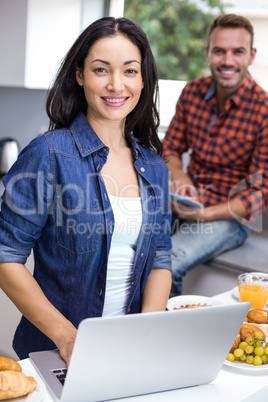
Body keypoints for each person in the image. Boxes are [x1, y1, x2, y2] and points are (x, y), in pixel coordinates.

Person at [0, 17, 172, 364]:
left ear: (142, 80)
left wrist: (148, 332)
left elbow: (160, 259)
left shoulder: (154, 166)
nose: (115, 84)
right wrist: (67, 338)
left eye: (129, 71)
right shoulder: (49, 154)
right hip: (55, 352)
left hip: (126, 353)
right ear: (80, 75)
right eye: (100, 70)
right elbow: (6, 256)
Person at [162, 14, 268, 297]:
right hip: (187, 202)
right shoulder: (192, 92)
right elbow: (170, 148)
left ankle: (168, 340)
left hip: (228, 216)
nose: (227, 61)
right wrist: (181, 176)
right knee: (130, 250)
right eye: (219, 51)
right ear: (208, 53)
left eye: (238, 52)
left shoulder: (263, 110)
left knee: (167, 265)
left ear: (251, 55)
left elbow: (260, 193)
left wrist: (205, 214)